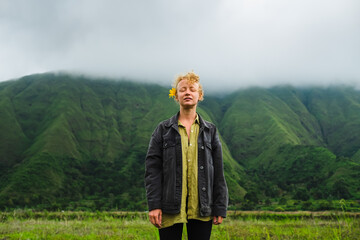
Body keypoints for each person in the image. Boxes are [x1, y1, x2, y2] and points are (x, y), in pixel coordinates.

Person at [144, 71, 228, 240]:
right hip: (169, 206)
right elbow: (152, 170)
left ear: (200, 95)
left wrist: (220, 206)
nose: (187, 92)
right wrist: (154, 205)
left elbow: (218, 171)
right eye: (182, 89)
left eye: (192, 89)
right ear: (176, 96)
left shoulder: (210, 131)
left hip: (203, 206)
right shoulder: (163, 129)